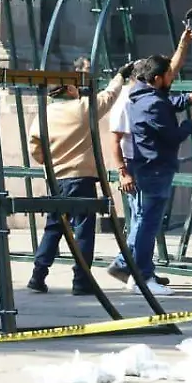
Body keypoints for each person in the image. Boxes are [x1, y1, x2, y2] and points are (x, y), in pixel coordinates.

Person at [104, 55, 192, 296]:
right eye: (170, 75)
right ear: (158, 78)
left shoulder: (140, 95)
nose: (173, 78)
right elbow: (173, 136)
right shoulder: (152, 103)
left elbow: (166, 102)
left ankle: (129, 266)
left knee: (141, 222)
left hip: (144, 167)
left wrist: (189, 98)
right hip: (153, 170)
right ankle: (140, 275)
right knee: (146, 225)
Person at [25, 58, 130, 295]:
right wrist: (120, 76)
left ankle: (38, 275)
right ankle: (81, 281)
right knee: (83, 229)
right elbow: (108, 97)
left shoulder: (43, 114)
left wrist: (49, 162)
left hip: (56, 179)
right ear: (70, 89)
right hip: (81, 178)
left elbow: (35, 147)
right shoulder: (83, 108)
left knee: (54, 227)